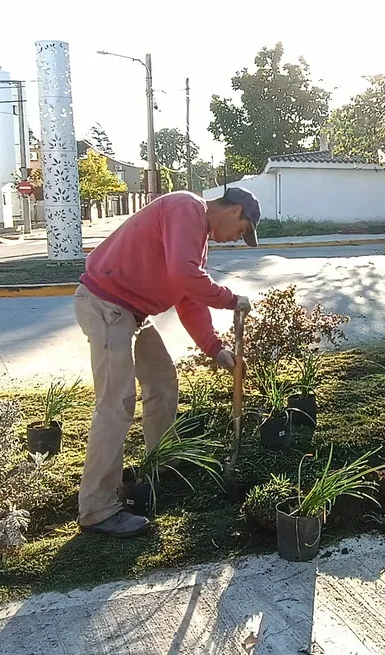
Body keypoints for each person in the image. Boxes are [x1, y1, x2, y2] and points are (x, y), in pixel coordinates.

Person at [73, 187, 260, 537]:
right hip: (106, 306)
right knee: (116, 405)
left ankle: (162, 462)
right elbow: (183, 274)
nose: (237, 239)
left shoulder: (197, 234)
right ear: (235, 211)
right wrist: (232, 300)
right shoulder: (186, 207)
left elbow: (188, 296)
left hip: (132, 312)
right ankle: (97, 509)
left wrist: (213, 348)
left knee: (161, 382)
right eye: (243, 230)